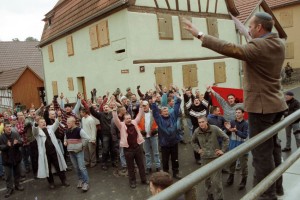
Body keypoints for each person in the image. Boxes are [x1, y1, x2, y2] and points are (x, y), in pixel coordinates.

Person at [184, 12, 288, 199]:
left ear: (258, 28)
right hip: (277, 104)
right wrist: (240, 26)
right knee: (273, 148)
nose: (248, 30)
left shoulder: (258, 47)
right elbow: (250, 39)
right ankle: (278, 186)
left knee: (261, 154)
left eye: (250, 26)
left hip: (261, 107)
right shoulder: (278, 43)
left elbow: (230, 48)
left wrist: (200, 34)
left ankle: (267, 195)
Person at [112, 101, 148, 189]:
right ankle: (132, 182)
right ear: (124, 120)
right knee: (130, 167)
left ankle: (144, 180)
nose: (128, 120)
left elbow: (139, 115)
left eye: (129, 118)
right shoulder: (121, 125)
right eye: (127, 118)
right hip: (128, 150)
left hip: (137, 148)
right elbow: (116, 119)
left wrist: (141, 107)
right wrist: (114, 110)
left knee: (141, 165)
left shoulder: (134, 122)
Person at [192, 116, 229, 200]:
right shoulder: (197, 131)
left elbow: (226, 138)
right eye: (199, 122)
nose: (201, 124)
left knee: (216, 182)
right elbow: (193, 141)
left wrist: (222, 150)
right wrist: (198, 150)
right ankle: (210, 196)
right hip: (204, 159)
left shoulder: (214, 129)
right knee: (206, 181)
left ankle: (220, 198)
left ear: (206, 122)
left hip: (215, 158)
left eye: (202, 122)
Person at [151, 93, 182, 180]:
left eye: (167, 111)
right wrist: (153, 104)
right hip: (164, 144)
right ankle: (166, 174)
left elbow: (176, 108)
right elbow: (155, 113)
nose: (166, 112)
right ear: (161, 113)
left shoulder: (173, 116)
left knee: (175, 159)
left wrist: (178, 99)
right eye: (164, 111)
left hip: (174, 142)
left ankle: (176, 172)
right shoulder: (159, 119)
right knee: (165, 160)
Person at [32, 117, 69, 189]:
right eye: (41, 122)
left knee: (59, 167)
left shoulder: (50, 128)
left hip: (54, 152)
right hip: (45, 154)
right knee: (48, 169)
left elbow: (56, 124)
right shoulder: (37, 132)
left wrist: (58, 118)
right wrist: (35, 124)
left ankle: (64, 180)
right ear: (38, 124)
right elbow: (34, 130)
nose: (44, 123)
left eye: (44, 121)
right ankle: (51, 183)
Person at [224, 108, 249, 190]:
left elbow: (244, 135)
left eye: (239, 112)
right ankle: (231, 178)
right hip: (232, 146)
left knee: (243, 166)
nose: (237, 114)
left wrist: (236, 131)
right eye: (236, 112)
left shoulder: (246, 124)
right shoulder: (232, 122)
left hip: (242, 147)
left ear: (243, 114)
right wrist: (227, 129)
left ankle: (243, 181)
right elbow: (228, 133)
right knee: (231, 164)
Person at [64, 117, 90, 192]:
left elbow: (87, 138)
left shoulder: (79, 130)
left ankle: (86, 183)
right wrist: (65, 142)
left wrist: (82, 146)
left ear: (73, 122)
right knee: (76, 167)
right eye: (67, 122)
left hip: (78, 152)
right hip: (71, 152)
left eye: (68, 122)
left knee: (82, 167)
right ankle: (80, 180)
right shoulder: (67, 131)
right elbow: (65, 138)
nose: (67, 124)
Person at [0, 122, 24, 198]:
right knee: (8, 175)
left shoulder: (15, 134)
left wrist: (17, 143)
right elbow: (0, 147)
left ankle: (17, 185)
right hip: (7, 159)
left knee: (18, 173)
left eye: (10, 126)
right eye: (7, 127)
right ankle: (10, 189)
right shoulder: (1, 137)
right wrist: (7, 146)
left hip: (16, 157)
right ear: (4, 128)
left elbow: (21, 142)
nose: (9, 128)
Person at [138, 100, 161, 174]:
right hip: (145, 136)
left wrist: (156, 130)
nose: (144, 107)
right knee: (147, 153)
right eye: (143, 106)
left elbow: (158, 122)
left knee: (156, 152)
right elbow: (137, 124)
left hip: (153, 135)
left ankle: (158, 166)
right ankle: (148, 167)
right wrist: (141, 131)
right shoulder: (140, 115)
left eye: (145, 105)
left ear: (148, 105)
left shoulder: (153, 113)